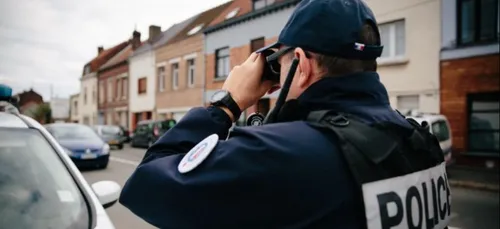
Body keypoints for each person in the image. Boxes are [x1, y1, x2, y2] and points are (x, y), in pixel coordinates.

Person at [120, 0, 451, 228]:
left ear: (303, 66)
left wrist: (227, 104)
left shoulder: (286, 154)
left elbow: (147, 185)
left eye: (283, 66)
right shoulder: (417, 142)